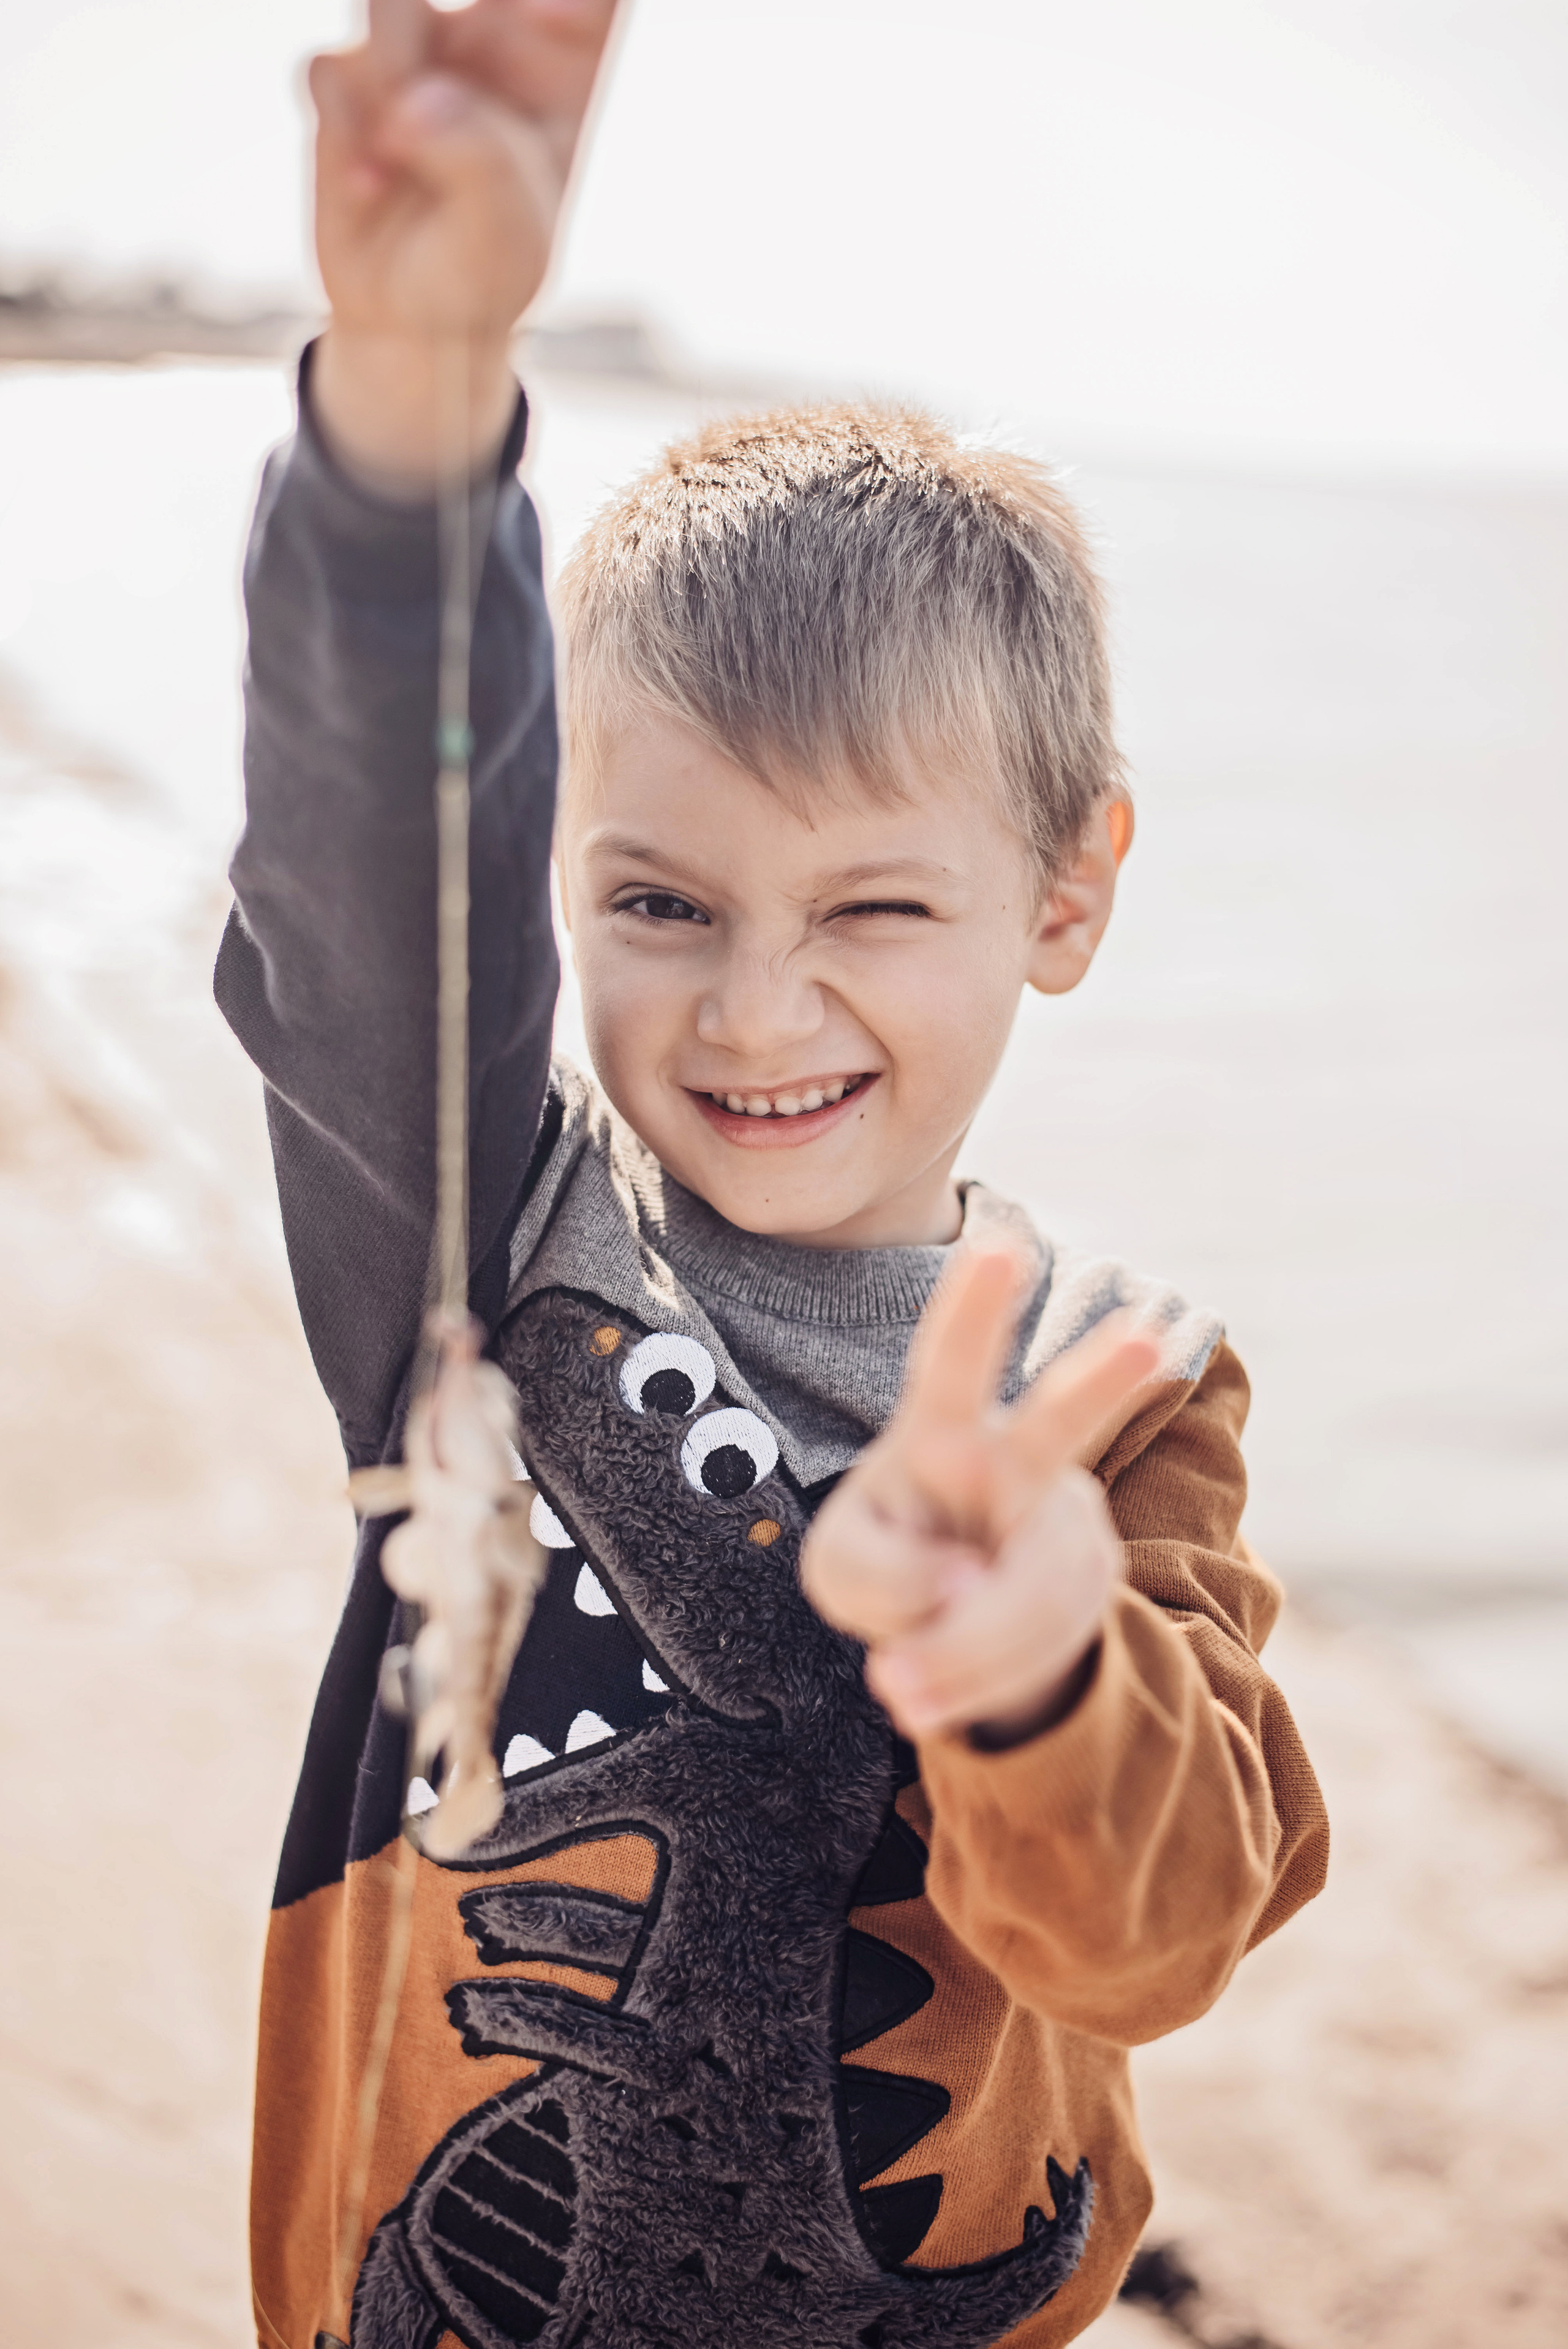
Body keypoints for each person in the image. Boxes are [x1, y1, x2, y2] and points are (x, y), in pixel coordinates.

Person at [218, 3, 1329, 2344]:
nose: (752, 1011)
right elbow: (363, 879)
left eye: (872, 908)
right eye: (662, 902)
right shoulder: (482, 1246)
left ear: (1066, 891)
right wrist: (413, 400)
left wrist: (1042, 1662)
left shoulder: (1116, 1404)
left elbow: (1159, 1933)